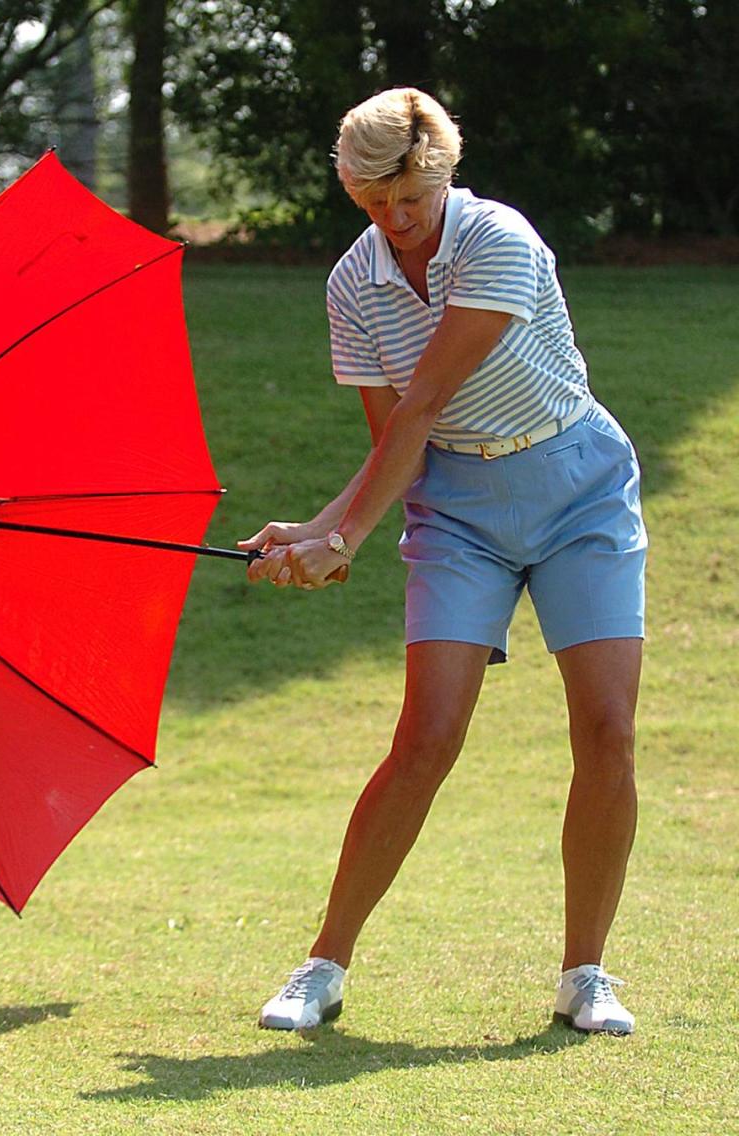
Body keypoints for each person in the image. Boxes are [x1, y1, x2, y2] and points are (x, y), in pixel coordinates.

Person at [238, 88, 646, 1036]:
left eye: (408, 197)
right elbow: (400, 445)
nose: (395, 220)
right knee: (426, 734)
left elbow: (425, 397)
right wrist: (316, 533)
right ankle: (322, 966)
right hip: (457, 507)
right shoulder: (352, 284)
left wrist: (344, 538)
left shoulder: (499, 238)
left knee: (608, 729)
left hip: (579, 485)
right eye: (372, 202)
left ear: (440, 173)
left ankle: (585, 974)